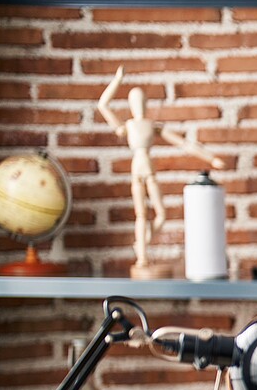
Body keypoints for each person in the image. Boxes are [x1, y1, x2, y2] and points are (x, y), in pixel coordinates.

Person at [96, 65, 225, 280]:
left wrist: (211, 158)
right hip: (137, 171)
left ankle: (141, 244)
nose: (139, 105)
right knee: (141, 215)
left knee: (161, 214)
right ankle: (143, 258)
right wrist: (117, 81)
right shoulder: (127, 126)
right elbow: (103, 105)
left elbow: (184, 143)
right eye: (135, 101)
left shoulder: (153, 126)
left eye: (142, 100)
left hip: (150, 171)